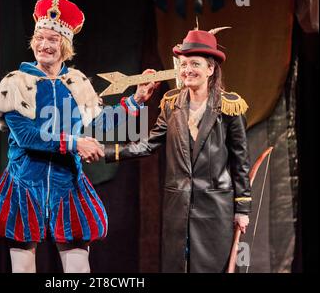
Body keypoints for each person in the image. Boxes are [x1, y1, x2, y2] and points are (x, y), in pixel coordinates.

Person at [0, 0, 158, 273]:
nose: (44, 45)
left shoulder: (76, 83)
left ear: (64, 46)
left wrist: (136, 100)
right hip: (26, 186)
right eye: (40, 38)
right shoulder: (16, 83)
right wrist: (75, 142)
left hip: (67, 185)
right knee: (24, 267)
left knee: (79, 269)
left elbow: (100, 125)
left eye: (52, 39)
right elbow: (28, 136)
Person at [104, 27, 252, 273]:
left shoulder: (229, 107)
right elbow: (149, 144)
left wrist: (243, 209)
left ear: (210, 69)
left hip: (215, 209)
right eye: (183, 64)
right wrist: (107, 152)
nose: (187, 70)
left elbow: (241, 162)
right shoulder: (172, 104)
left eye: (194, 64)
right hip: (177, 210)